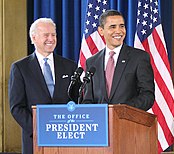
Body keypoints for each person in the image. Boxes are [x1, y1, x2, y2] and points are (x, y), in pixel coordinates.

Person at [8, 18, 80, 154]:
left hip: (66, 138)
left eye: (53, 35)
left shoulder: (70, 66)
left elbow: (77, 100)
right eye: (46, 35)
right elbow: (16, 107)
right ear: (33, 38)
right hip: (35, 139)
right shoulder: (20, 68)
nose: (51, 39)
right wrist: (38, 130)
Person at [83, 10, 155, 111]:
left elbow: (147, 96)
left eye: (121, 26)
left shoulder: (139, 58)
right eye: (113, 27)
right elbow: (87, 100)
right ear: (101, 31)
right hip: (100, 124)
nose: (119, 31)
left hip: (128, 122)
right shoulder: (92, 62)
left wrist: (122, 109)